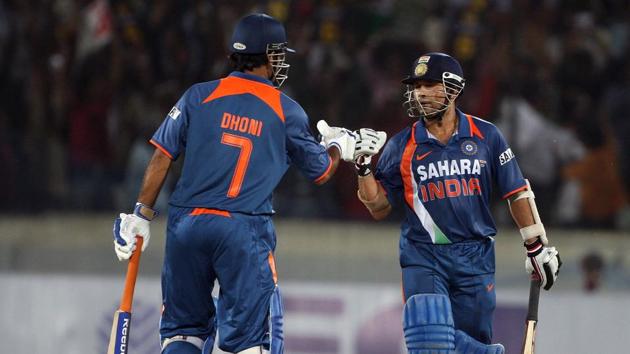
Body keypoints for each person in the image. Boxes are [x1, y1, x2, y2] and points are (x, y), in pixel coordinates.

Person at [112, 13, 357, 354]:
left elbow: (161, 156)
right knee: (247, 344)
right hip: (242, 228)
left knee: (183, 334)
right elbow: (321, 172)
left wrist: (140, 214)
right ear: (271, 56)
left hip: (187, 225)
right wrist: (338, 146)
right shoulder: (286, 109)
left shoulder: (198, 95)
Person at [351, 52, 562, 353]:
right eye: (416, 86)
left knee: (467, 342)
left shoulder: (487, 136)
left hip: (476, 259)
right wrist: (362, 167)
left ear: (453, 89)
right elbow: (378, 206)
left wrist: (536, 245)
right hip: (424, 255)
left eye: (429, 84)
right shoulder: (401, 146)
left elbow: (516, 191)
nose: (420, 92)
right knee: (428, 340)